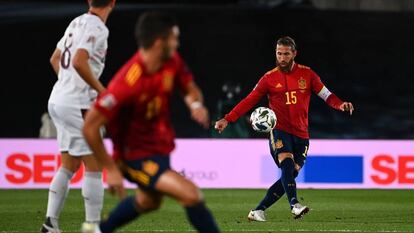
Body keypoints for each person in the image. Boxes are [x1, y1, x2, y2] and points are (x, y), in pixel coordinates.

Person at [81, 12, 220, 233]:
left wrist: (195, 105)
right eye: (174, 38)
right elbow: (89, 126)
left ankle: (99, 231)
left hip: (159, 148)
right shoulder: (127, 84)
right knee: (191, 195)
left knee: (148, 202)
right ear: (159, 42)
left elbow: (189, 87)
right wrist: (111, 169)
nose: (177, 42)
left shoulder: (171, 61)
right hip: (132, 157)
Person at [215, 36, 354, 221]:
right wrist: (228, 118)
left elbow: (327, 96)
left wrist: (341, 104)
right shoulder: (269, 78)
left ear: (294, 54)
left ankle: (258, 211)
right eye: (279, 54)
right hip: (279, 130)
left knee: (290, 174)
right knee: (286, 163)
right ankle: (295, 205)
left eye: (286, 54)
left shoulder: (308, 74)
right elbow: (249, 100)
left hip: (302, 133)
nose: (282, 58)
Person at [40, 0, 116, 232]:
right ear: (112, 3)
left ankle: (50, 223)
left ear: (89, 2)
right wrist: (103, 92)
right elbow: (79, 61)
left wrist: (67, 83)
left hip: (58, 100)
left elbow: (55, 58)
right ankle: (93, 227)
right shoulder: (98, 28)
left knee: (69, 164)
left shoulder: (76, 22)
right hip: (77, 104)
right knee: (94, 165)